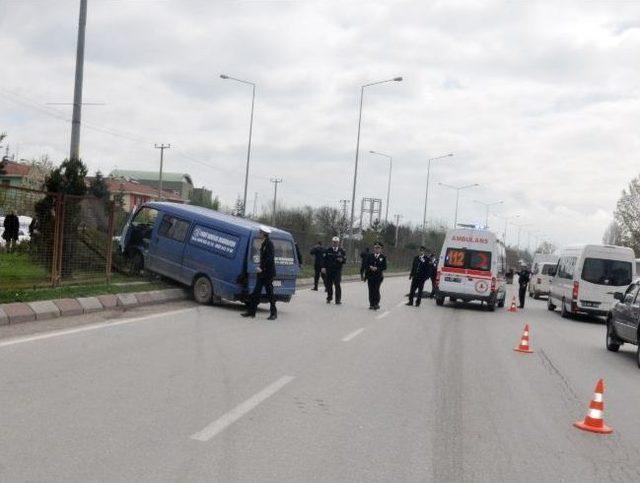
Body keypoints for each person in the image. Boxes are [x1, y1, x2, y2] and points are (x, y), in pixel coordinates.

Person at [242, 226, 277, 320]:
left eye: (260, 232)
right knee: (256, 293)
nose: (259, 234)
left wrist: (262, 268)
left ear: (264, 234)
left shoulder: (269, 244)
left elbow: (270, 258)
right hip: (262, 274)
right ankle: (251, 312)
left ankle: (274, 313)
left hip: (268, 273)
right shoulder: (264, 243)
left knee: (270, 294)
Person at [322, 236, 346, 304]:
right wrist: (323, 267)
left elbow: (345, 260)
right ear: (332, 242)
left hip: (337, 270)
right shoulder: (328, 250)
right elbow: (324, 260)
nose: (335, 243)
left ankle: (338, 300)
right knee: (329, 284)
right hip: (329, 270)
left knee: (337, 284)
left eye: (336, 242)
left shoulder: (341, 251)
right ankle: (329, 297)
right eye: (334, 242)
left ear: (338, 243)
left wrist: (342, 260)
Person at [364, 241, 387, 310]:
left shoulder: (383, 257)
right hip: (370, 276)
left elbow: (384, 267)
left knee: (376, 290)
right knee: (371, 290)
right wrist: (370, 267)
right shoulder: (370, 256)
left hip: (378, 276)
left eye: (378, 248)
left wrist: (377, 268)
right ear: (374, 249)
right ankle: (371, 304)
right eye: (375, 248)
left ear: (381, 249)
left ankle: (376, 303)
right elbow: (366, 264)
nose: (377, 249)